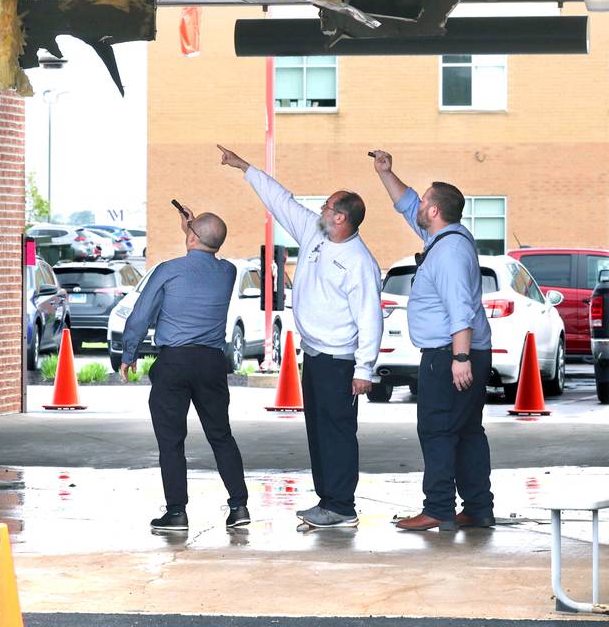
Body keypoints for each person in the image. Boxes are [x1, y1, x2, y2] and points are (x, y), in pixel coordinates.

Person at [218, 144, 382, 529]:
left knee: (338, 432)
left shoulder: (360, 262)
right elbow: (281, 200)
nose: (320, 210)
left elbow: (369, 318)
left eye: (327, 207)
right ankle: (328, 501)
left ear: (341, 218)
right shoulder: (315, 232)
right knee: (319, 431)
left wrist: (365, 368)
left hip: (342, 361)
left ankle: (341, 506)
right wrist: (245, 168)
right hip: (316, 355)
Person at [371, 150, 495, 531]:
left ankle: (439, 508)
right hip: (460, 352)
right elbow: (405, 204)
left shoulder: (450, 253)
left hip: (450, 355)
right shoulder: (446, 236)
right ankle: (477, 508)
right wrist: (386, 173)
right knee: (468, 431)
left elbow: (460, 308)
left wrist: (460, 358)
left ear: (436, 211)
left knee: (438, 430)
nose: (418, 203)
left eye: (425, 200)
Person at [120, 204, 249, 532]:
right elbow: (206, 245)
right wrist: (194, 231)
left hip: (174, 362)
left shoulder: (168, 270)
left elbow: (140, 314)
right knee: (221, 435)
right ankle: (238, 507)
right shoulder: (228, 272)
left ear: (191, 237)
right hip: (211, 363)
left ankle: (176, 512)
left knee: (171, 440)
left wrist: (129, 353)